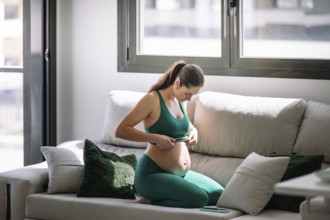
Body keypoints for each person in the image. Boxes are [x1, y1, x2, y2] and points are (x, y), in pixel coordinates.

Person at [115, 60, 223, 208]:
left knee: (219, 194)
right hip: (152, 175)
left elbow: (183, 124)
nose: (189, 99)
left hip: (179, 174)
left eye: (192, 95)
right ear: (177, 83)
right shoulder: (152, 100)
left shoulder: (180, 100)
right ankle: (151, 201)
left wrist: (193, 130)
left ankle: (163, 197)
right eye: (187, 93)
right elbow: (121, 130)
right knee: (200, 199)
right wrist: (155, 138)